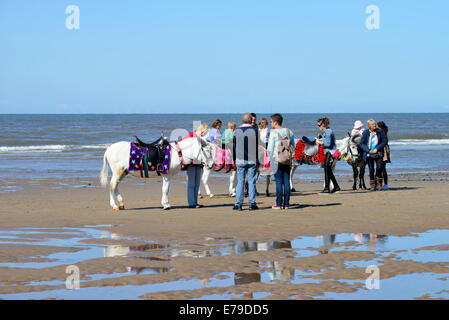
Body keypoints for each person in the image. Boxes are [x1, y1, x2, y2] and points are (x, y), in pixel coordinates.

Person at [267, 113, 295, 210]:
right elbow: (293, 146)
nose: (270, 124)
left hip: (277, 160)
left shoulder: (273, 133)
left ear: (275, 122)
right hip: (287, 159)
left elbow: (269, 149)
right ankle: (286, 204)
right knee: (286, 181)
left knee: (279, 181)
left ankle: (278, 204)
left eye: (271, 122)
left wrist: (270, 160)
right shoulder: (289, 131)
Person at [233, 113, 259, 211]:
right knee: (251, 181)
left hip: (240, 159)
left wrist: (234, 158)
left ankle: (238, 204)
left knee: (240, 181)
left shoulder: (237, 131)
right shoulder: (255, 131)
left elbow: (233, 145)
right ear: (250, 120)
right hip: (252, 158)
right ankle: (252, 203)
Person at [181, 123, 209, 208]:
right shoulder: (190, 135)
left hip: (199, 163)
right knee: (191, 183)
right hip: (191, 163)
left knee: (197, 183)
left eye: (204, 133)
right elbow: (181, 145)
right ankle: (191, 203)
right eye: (203, 132)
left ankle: (195, 202)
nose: (203, 134)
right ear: (200, 129)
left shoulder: (201, 138)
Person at [360, 119, 387, 191]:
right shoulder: (365, 132)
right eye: (372, 124)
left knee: (379, 168)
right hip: (369, 154)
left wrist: (377, 149)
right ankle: (372, 185)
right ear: (369, 126)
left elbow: (384, 141)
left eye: (374, 124)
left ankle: (379, 183)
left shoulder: (380, 132)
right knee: (371, 169)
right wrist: (368, 150)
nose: (374, 125)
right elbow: (362, 143)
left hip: (378, 153)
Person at [315, 117, 341, 194]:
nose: (318, 127)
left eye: (319, 125)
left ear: (323, 124)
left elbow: (328, 144)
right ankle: (336, 187)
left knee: (327, 169)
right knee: (328, 170)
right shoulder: (327, 131)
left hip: (331, 152)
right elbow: (328, 141)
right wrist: (321, 140)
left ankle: (327, 188)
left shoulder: (328, 132)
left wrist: (320, 143)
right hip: (330, 152)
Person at [377, 121, 390, 190]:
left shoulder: (381, 133)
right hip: (385, 151)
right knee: (382, 168)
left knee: (381, 168)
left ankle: (383, 184)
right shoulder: (384, 132)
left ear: (380, 127)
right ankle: (384, 184)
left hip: (383, 151)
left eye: (377, 126)